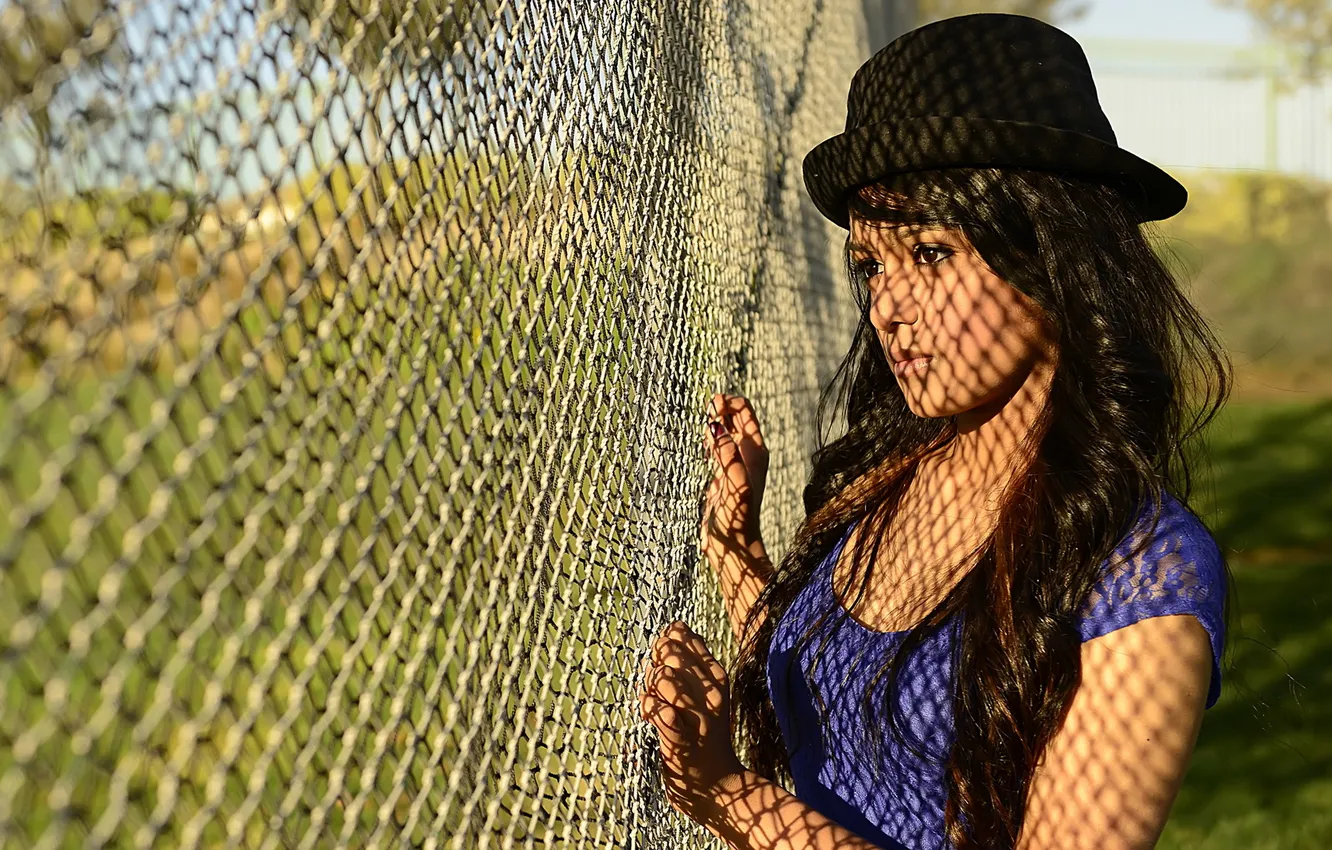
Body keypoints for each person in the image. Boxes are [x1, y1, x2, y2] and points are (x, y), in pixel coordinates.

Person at [637, 12, 1232, 850]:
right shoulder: (897, 471)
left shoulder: (1143, 574)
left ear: (1050, 252)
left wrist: (727, 794)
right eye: (871, 264)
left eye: (929, 253)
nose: (887, 307)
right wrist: (733, 546)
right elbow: (843, 709)